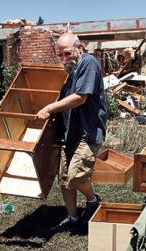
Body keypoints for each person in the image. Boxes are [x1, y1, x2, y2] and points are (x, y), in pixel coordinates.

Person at [36, 31, 107, 231]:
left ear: (79, 48)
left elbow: (80, 97)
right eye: (61, 55)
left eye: (67, 53)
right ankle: (73, 218)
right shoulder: (70, 71)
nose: (65, 58)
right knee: (65, 180)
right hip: (70, 133)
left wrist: (49, 108)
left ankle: (93, 200)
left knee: (76, 175)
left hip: (88, 132)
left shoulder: (89, 63)